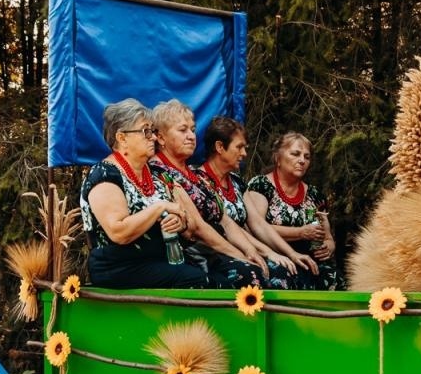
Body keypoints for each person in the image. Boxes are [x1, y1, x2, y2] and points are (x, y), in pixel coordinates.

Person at [80, 99, 209, 289]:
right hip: (120, 267)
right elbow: (119, 232)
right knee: (193, 279)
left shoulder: (157, 174)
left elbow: (186, 223)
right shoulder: (104, 174)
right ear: (122, 137)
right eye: (145, 132)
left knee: (218, 278)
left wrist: (178, 222)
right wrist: (159, 208)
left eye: (153, 131)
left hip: (162, 259)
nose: (154, 138)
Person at [148, 99, 267, 289]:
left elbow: (225, 220)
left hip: (217, 253)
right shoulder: (159, 172)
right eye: (182, 130)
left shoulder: (195, 174)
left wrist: (250, 250)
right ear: (161, 138)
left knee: (271, 269)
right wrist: (239, 255)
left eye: (193, 130)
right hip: (194, 257)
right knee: (252, 276)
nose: (191, 136)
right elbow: (197, 228)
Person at [197, 117, 316, 289]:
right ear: (220, 147)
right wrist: (266, 253)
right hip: (217, 254)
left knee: (292, 268)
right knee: (270, 275)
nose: (244, 153)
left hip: (248, 249)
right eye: (239, 147)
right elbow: (226, 228)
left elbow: (258, 224)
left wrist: (291, 254)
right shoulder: (200, 181)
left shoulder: (236, 182)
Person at [246, 132, 339, 290]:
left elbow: (326, 235)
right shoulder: (261, 186)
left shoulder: (315, 195)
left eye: (307, 157)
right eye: (295, 154)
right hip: (275, 256)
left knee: (332, 278)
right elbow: (256, 228)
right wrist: (300, 233)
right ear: (278, 157)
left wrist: (329, 245)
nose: (302, 160)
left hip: (311, 260)